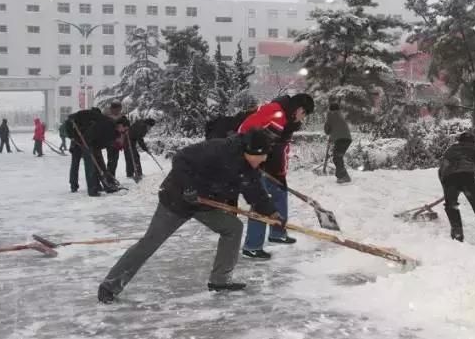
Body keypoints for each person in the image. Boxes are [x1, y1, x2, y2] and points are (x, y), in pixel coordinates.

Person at [97, 129, 282, 303]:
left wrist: (272, 213)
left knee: (233, 228)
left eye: (263, 158)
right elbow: (181, 158)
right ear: (248, 150)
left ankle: (220, 280)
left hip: (206, 203)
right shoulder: (219, 149)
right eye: (258, 157)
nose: (260, 161)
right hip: (177, 200)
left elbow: (256, 192)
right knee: (150, 242)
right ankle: (110, 286)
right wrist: (188, 187)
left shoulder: (249, 168)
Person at [238, 93, 315, 260]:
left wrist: (281, 176)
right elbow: (271, 147)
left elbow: (279, 146)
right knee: (261, 200)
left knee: (279, 193)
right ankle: (252, 246)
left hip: (265, 159)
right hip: (254, 159)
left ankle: (277, 232)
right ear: (299, 109)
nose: (303, 118)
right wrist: (276, 173)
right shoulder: (276, 114)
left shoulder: (284, 115)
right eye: (304, 113)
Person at [64, 108, 128, 196]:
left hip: (91, 141)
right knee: (89, 164)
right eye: (124, 128)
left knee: (99, 162)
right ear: (120, 125)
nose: (124, 131)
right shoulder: (107, 125)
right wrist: (87, 145)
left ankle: (103, 185)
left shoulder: (111, 128)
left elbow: (102, 140)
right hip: (86, 140)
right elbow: (93, 133)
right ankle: (92, 190)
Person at [324, 102, 352, 183]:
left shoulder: (330, 115)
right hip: (347, 139)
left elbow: (327, 131)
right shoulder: (341, 115)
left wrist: (327, 124)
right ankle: (343, 175)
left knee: (337, 158)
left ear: (330, 109)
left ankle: (344, 177)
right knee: (338, 157)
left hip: (340, 139)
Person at [104, 100, 124, 177]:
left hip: (118, 142)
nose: (119, 111)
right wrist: (117, 127)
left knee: (115, 161)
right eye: (118, 109)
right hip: (110, 141)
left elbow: (122, 127)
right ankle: (110, 178)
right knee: (111, 161)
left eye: (120, 109)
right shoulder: (107, 117)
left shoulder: (120, 116)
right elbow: (107, 130)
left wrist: (124, 127)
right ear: (113, 109)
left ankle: (112, 177)